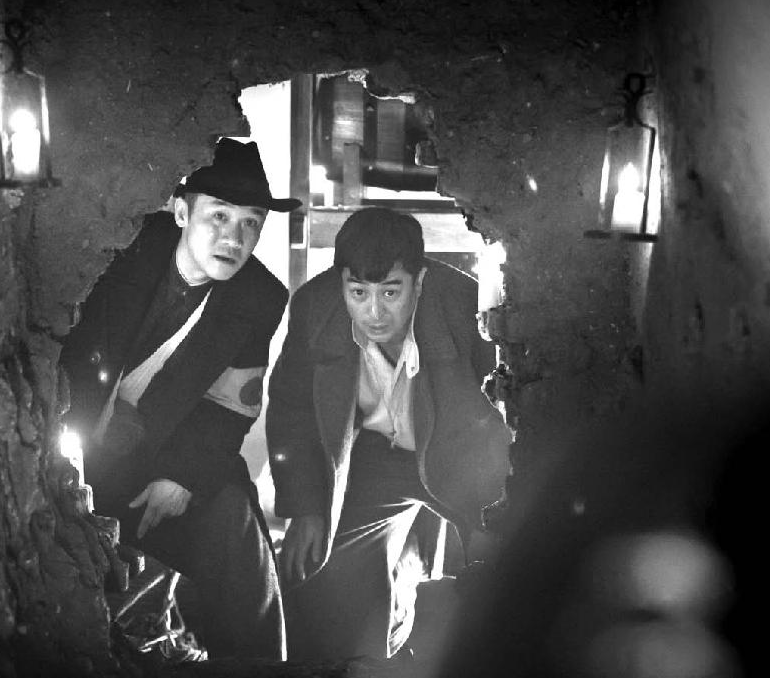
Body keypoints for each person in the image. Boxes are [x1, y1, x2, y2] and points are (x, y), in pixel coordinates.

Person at [58, 138, 300, 660]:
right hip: (73, 442)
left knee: (235, 521)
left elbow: (231, 406)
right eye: (219, 216)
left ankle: (257, 665)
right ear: (182, 212)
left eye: (252, 222)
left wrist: (182, 476)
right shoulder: (122, 249)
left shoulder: (260, 296)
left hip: (160, 453)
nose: (234, 238)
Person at [265, 206, 511, 661]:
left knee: (500, 581)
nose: (374, 312)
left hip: (464, 459)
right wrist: (305, 506)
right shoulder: (315, 306)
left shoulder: (467, 308)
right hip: (374, 461)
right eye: (358, 292)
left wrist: (498, 509)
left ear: (420, 281)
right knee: (321, 579)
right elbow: (291, 408)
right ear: (341, 282)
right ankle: (373, 654)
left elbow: (506, 412)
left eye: (391, 292)